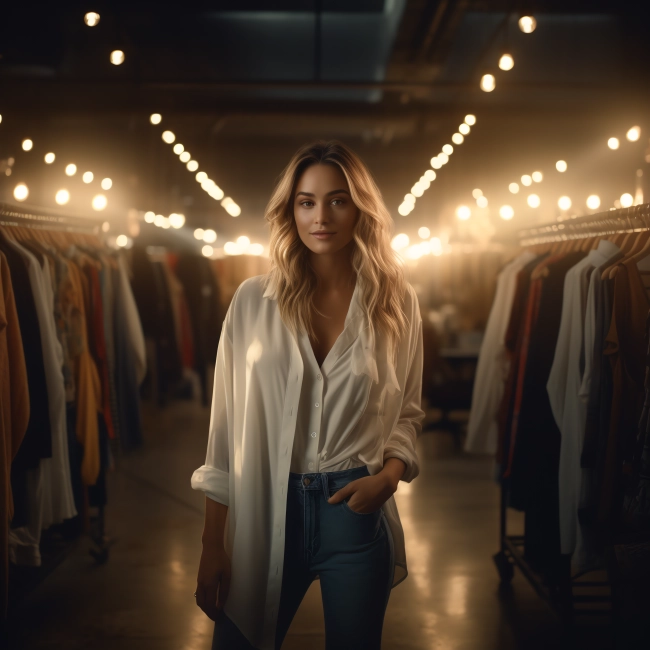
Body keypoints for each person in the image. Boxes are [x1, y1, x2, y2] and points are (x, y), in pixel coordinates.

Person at [191, 140, 425, 650]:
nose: (322, 216)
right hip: (263, 505)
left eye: (338, 200)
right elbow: (225, 431)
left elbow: (407, 411)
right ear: (290, 209)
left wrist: (387, 478)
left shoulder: (395, 301)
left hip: (354, 508)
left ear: (360, 208)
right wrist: (213, 544)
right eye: (307, 201)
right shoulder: (253, 301)